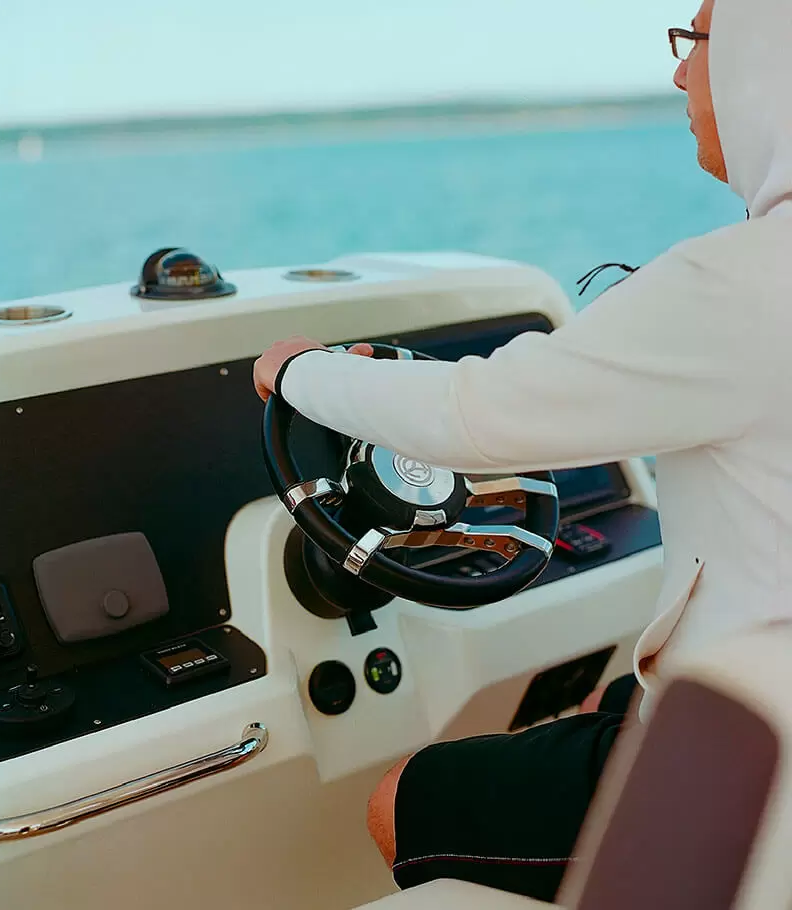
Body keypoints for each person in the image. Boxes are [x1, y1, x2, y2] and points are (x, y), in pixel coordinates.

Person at [254, 0, 792, 901]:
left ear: (762, 61)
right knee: (600, 703)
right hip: (746, 682)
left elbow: (475, 415)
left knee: (406, 797)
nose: (678, 71)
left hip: (758, 757)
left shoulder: (741, 281)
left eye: (697, 42)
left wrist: (299, 372)